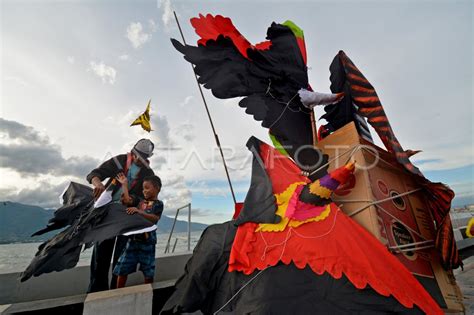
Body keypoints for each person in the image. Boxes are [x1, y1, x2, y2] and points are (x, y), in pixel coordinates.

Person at [86, 139, 155, 293]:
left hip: (127, 216)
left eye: (143, 157)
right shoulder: (120, 161)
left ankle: (115, 293)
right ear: (132, 152)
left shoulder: (149, 175)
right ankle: (96, 293)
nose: (138, 159)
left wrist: (132, 200)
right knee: (100, 257)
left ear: (148, 158)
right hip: (107, 213)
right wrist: (98, 184)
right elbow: (94, 174)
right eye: (137, 155)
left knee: (121, 258)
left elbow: (146, 199)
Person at [113, 175, 163, 287]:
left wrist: (139, 212)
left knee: (148, 271)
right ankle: (118, 293)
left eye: (147, 188)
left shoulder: (158, 204)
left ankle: (148, 294)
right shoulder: (139, 202)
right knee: (122, 268)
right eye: (143, 188)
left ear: (157, 188)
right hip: (132, 242)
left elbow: (155, 218)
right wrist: (124, 184)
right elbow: (126, 200)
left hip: (148, 243)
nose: (144, 191)